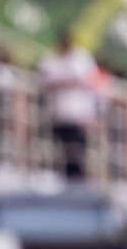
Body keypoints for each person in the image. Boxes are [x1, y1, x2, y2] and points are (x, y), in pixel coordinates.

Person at [39, 30, 98, 181]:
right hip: (59, 112)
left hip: (78, 112)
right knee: (61, 145)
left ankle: (78, 175)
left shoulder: (81, 58)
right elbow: (46, 81)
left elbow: (87, 80)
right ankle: (64, 173)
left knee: (78, 145)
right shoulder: (52, 59)